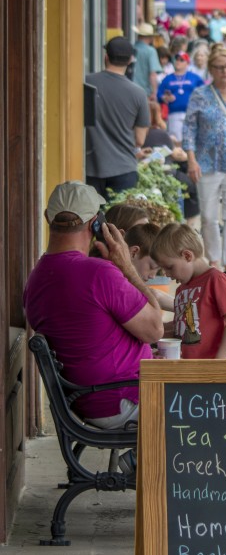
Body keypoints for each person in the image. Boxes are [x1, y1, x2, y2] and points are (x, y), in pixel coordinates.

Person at [23, 182, 163, 429]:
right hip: (122, 399)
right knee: (208, 401)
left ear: (47, 218)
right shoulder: (98, 273)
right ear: (94, 224)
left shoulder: (35, 280)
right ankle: (143, 463)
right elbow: (154, 329)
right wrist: (126, 266)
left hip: (89, 400)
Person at [183, 45, 226, 270]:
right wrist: (191, 159)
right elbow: (189, 128)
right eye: (219, 67)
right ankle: (214, 259)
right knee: (208, 215)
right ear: (211, 70)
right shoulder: (200, 95)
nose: (224, 71)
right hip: (206, 163)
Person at [152, 223, 226, 359]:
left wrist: (220, 360)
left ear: (187, 256)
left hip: (209, 366)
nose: (167, 274)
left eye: (169, 267)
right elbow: (181, 327)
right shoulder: (181, 289)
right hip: (185, 365)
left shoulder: (215, 279)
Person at [85, 36, 152, 196]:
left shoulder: (86, 83)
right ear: (130, 61)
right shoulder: (138, 93)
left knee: (92, 219)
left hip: (90, 167)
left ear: (106, 57)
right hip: (124, 168)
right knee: (120, 219)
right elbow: (140, 140)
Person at [157, 52, 204, 143]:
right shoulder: (168, 78)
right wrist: (164, 97)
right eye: (177, 59)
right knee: (176, 140)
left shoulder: (194, 77)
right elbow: (159, 94)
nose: (178, 62)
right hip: (174, 113)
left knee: (192, 141)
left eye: (181, 60)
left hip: (192, 113)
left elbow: (204, 92)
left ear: (187, 63)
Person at [132, 22, 162, 100]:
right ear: (150, 37)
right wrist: (154, 92)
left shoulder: (131, 48)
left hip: (129, 90)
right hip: (144, 93)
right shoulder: (150, 51)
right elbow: (153, 74)